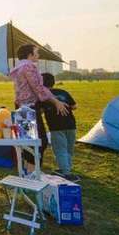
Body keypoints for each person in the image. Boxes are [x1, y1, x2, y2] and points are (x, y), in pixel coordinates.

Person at [10, 44, 69, 174]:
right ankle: (33, 173)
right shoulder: (28, 66)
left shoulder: (19, 67)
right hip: (29, 108)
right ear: (30, 55)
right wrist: (55, 101)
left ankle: (27, 171)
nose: (38, 55)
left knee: (27, 140)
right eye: (36, 53)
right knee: (39, 141)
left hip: (21, 106)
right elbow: (38, 88)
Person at [42, 73, 79, 181]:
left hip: (56, 127)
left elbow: (40, 111)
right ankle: (66, 168)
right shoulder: (63, 92)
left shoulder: (43, 96)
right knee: (69, 149)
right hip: (71, 125)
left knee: (60, 149)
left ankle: (66, 173)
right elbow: (75, 106)